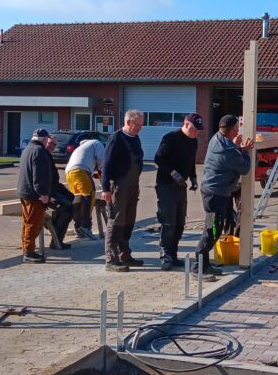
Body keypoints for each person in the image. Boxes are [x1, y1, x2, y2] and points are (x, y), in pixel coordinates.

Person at [193, 115, 254, 280]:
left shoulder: (217, 139)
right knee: (212, 229)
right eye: (237, 128)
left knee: (214, 227)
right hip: (216, 194)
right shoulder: (227, 149)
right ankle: (198, 267)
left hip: (212, 191)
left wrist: (237, 147)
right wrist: (246, 151)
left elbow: (231, 155)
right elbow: (244, 168)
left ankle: (204, 263)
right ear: (233, 130)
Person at [154, 113, 203, 271]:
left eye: (198, 131)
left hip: (181, 186)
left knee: (180, 223)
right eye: (194, 129)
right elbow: (158, 159)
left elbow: (191, 161)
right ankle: (165, 255)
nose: (196, 133)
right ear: (186, 124)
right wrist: (173, 173)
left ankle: (173, 254)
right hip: (166, 185)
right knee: (169, 222)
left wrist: (194, 178)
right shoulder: (171, 138)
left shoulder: (193, 141)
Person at [101, 110, 146, 272]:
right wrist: (105, 188)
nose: (140, 128)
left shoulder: (135, 138)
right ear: (128, 122)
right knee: (116, 221)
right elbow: (106, 165)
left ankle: (124, 255)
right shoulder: (116, 138)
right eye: (138, 125)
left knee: (129, 221)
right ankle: (111, 259)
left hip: (132, 186)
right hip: (117, 187)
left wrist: (137, 185)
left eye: (141, 125)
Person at [17, 128, 53, 264]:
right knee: (33, 223)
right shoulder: (39, 151)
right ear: (44, 139)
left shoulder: (27, 149)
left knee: (27, 222)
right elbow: (39, 175)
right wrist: (43, 193)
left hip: (25, 191)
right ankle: (29, 252)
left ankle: (27, 249)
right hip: (34, 194)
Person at [64, 137, 105, 240]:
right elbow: (102, 163)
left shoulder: (81, 149)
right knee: (89, 195)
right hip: (81, 171)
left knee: (77, 201)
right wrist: (105, 186)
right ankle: (85, 226)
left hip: (69, 173)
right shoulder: (97, 142)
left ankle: (78, 228)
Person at [42, 137, 75, 251]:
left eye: (54, 145)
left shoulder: (48, 155)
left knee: (71, 198)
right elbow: (40, 178)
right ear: (45, 142)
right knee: (68, 208)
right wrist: (46, 194)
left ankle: (57, 231)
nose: (52, 146)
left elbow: (53, 179)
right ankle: (56, 238)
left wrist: (63, 189)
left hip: (54, 188)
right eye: (51, 143)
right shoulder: (41, 155)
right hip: (45, 193)